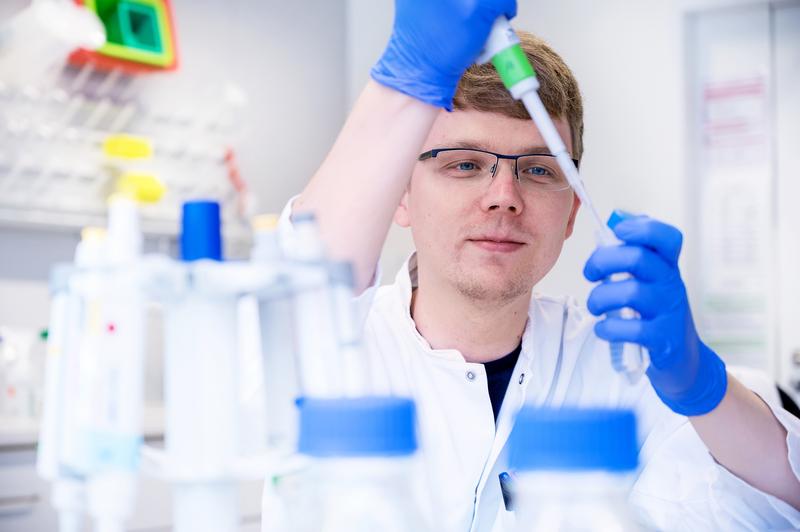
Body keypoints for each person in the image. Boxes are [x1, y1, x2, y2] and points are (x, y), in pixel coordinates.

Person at [276, 1, 800, 530]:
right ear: (401, 197)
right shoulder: (339, 351)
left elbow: (781, 500)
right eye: (464, 163)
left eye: (539, 169)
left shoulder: (618, 369)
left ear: (572, 211)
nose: (504, 197)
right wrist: (404, 76)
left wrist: (700, 385)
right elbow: (307, 274)